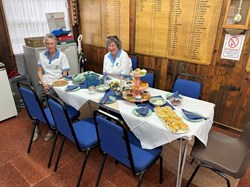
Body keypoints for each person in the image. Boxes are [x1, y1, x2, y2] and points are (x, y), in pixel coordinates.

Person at [34, 33, 70, 142]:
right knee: (37, 98)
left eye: (52, 43)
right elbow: (39, 71)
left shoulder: (62, 56)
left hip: (57, 83)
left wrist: (51, 84)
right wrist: (43, 83)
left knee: (50, 100)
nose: (50, 46)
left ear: (56, 44)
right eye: (48, 44)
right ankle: (37, 124)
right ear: (45, 44)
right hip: (44, 82)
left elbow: (65, 73)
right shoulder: (42, 55)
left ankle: (52, 128)